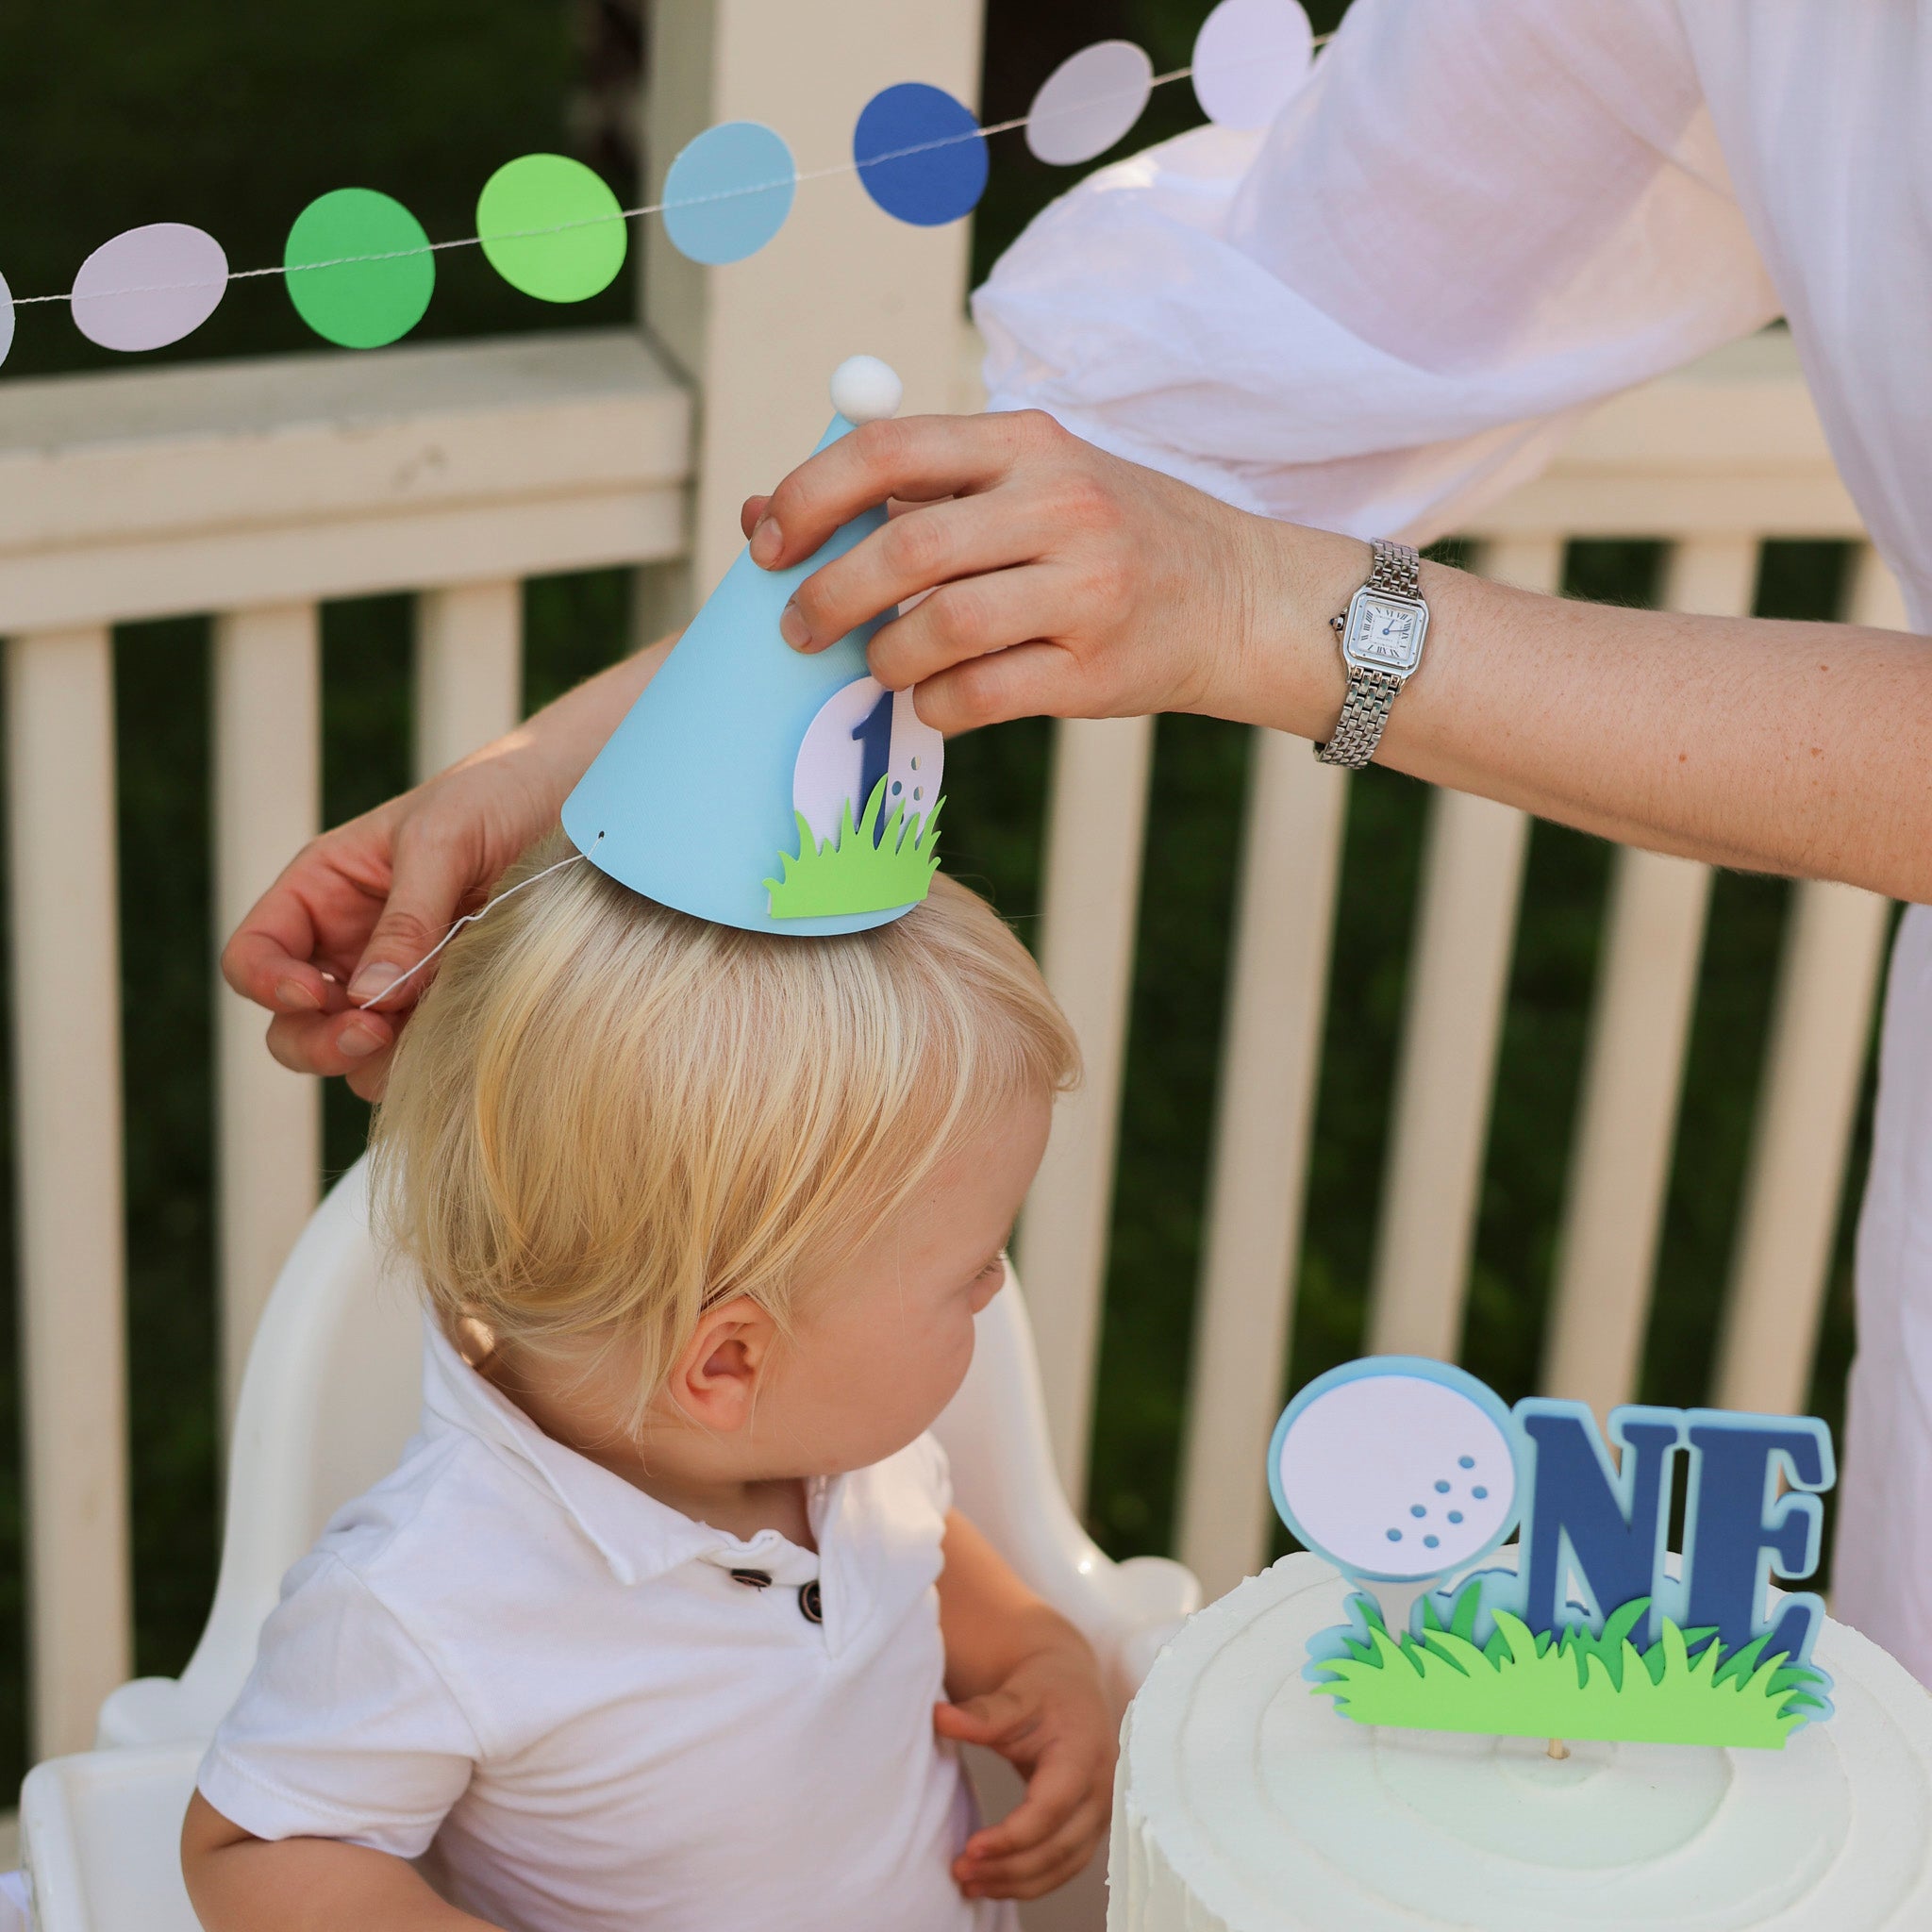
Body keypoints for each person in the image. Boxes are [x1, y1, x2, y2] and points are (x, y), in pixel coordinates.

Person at [225, 0, 1932, 1679]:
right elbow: (1273, 314)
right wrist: (570, 760)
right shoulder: (422, 1625)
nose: (994, 1302)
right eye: (972, 1266)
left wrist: (1276, 608)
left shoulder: (844, 1469)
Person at [184, 848, 1111, 1930]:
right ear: (725, 1363)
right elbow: (257, 1841)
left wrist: (1039, 1652)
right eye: (971, 1268)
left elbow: (915, 1545)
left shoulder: (840, 1444)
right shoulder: (428, 1592)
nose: (997, 1284)